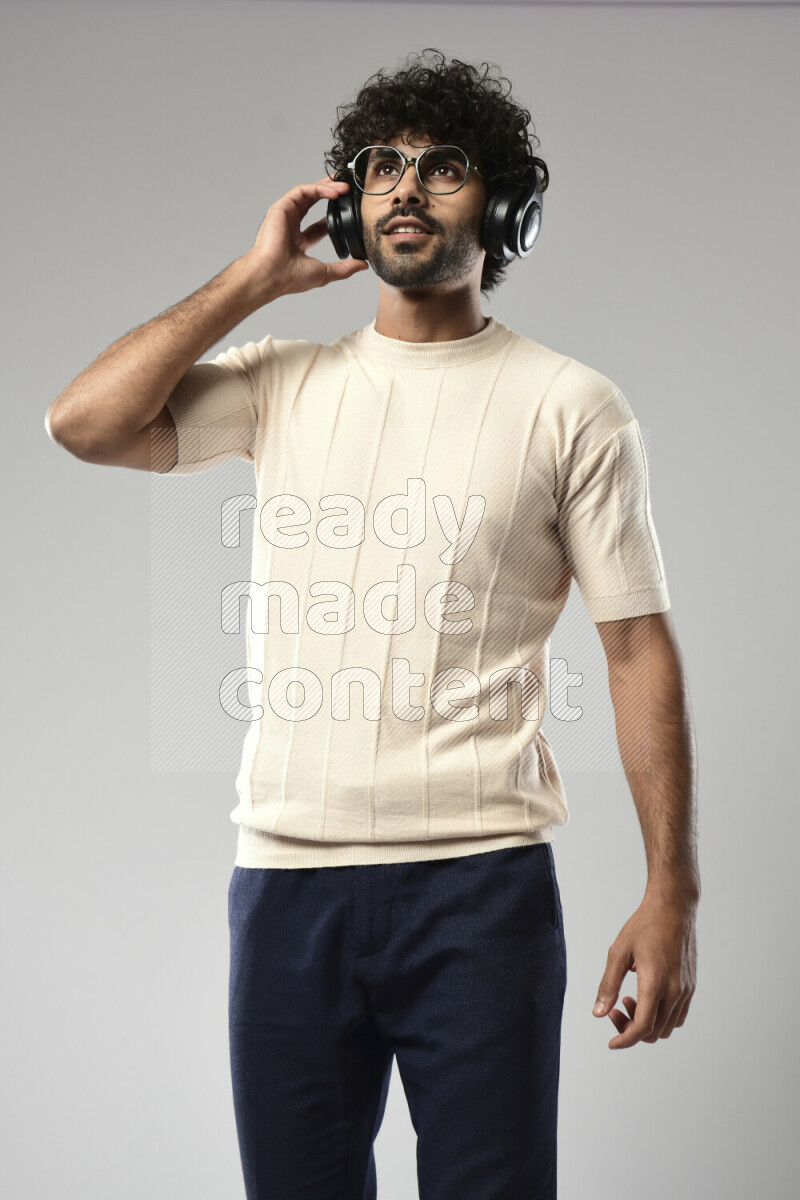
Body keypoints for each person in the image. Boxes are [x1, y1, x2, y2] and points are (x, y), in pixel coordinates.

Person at [45, 48, 699, 1200]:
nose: (404, 188)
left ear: (502, 207)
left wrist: (670, 892)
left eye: (441, 167)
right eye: (379, 166)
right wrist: (252, 281)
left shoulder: (570, 405)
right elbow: (82, 423)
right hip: (287, 885)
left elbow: (634, 647)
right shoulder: (280, 380)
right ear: (349, 204)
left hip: (481, 891)